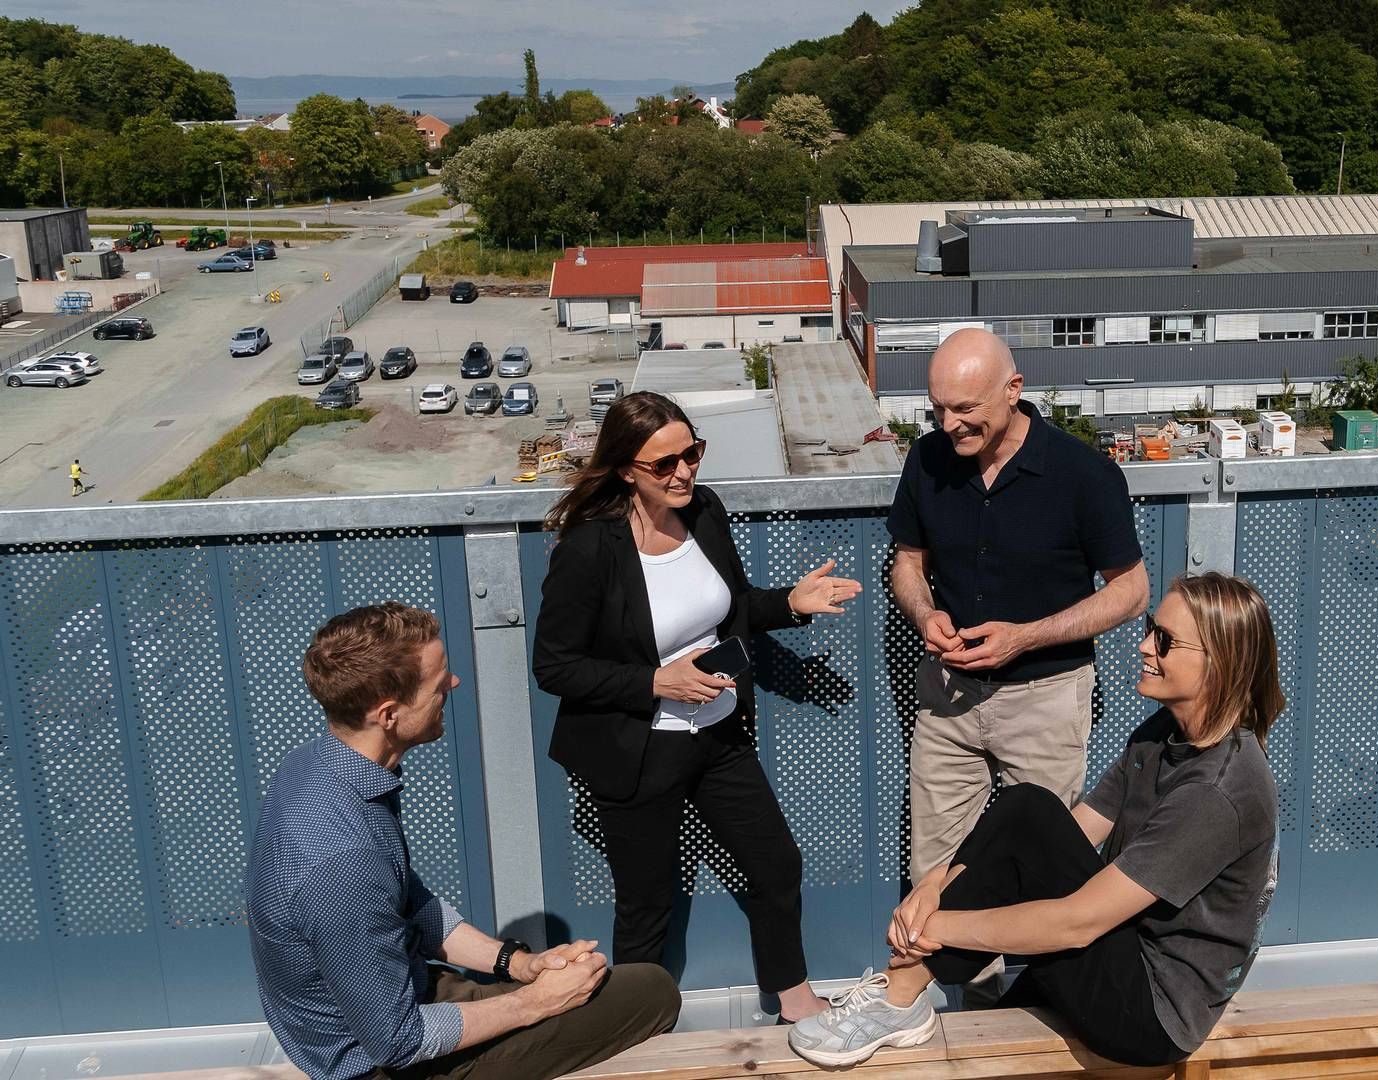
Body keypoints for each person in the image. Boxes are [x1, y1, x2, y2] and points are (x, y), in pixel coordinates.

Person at [788, 573, 1283, 1068]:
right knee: (1027, 805)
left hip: (1153, 1012)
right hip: (1123, 954)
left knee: (1028, 817)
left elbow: (1078, 922)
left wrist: (937, 928)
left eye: (1165, 640)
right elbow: (1066, 831)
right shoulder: (1164, 733)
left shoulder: (1217, 790)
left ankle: (899, 993)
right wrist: (936, 884)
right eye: (1152, 627)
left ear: (1219, 663)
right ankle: (902, 991)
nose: (1144, 645)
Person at [533, 391, 863, 1024]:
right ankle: (632, 1028)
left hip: (719, 736)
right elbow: (555, 667)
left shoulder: (704, 511)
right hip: (638, 750)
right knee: (647, 902)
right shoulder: (591, 550)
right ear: (627, 469)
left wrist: (791, 603)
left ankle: (793, 999)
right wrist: (657, 683)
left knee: (775, 865)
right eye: (665, 464)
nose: (684, 472)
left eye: (692, 454)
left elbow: (732, 607)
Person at [246, 603, 680, 1080]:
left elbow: (410, 903)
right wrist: (535, 1004)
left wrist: (519, 965)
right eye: (437, 684)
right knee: (652, 993)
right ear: (388, 715)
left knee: (602, 986)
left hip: (407, 993)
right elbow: (396, 1040)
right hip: (382, 1062)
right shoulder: (339, 854)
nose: (452, 686)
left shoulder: (322, 766)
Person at [889, 328, 1148, 884]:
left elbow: (1132, 592)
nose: (949, 424)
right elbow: (908, 564)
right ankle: (959, 975)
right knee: (932, 875)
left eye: (964, 408)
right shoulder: (927, 459)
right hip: (947, 695)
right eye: (937, 409)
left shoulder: (1084, 474)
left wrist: (1025, 636)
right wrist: (924, 614)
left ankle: (1037, 975)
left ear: (1013, 389)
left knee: (1042, 873)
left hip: (1046, 699)